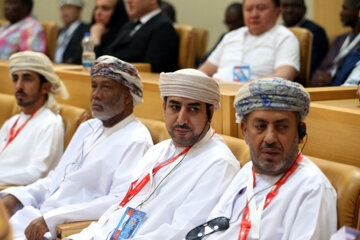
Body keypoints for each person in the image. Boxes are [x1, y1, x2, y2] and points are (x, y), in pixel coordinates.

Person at [67, 69, 240, 240]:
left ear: (210, 112)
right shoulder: (158, 151)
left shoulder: (219, 163)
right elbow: (121, 208)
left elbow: (182, 232)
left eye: (193, 109)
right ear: (164, 107)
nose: (181, 119)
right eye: (175, 107)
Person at [0, 56, 153, 240]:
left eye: (106, 87)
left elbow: (118, 202)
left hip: (67, 229)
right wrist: (17, 196)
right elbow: (57, 178)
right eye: (94, 86)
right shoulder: (88, 127)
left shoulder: (136, 140)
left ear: (128, 96)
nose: (96, 94)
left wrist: (52, 219)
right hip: (38, 216)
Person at [187, 78, 337, 240]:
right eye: (260, 126)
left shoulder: (312, 188)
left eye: (282, 127)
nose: (270, 138)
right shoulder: (248, 171)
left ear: (300, 133)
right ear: (244, 131)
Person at [0, 51, 69, 186]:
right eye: (15, 79)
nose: (19, 86)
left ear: (45, 87)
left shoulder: (51, 123)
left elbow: (37, 173)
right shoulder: (12, 122)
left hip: (15, 197)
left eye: (27, 79)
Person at [199, 0, 299, 82]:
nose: (254, 14)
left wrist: (243, 87)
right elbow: (203, 71)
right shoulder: (231, 36)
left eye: (261, 8)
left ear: (277, 13)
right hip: (216, 96)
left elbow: (284, 76)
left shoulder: (285, 38)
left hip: (254, 99)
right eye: (249, 9)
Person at [98, 0, 179, 73]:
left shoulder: (163, 27)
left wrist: (110, 67)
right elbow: (110, 52)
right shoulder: (128, 25)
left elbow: (153, 68)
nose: (128, 1)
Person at [312, 0, 360, 87]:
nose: (341, 13)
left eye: (345, 8)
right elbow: (323, 66)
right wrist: (318, 75)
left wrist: (332, 77)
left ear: (358, 11)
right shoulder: (340, 39)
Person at [281, 0, 328, 77]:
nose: (289, 10)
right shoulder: (276, 31)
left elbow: (311, 67)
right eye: (285, 6)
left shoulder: (315, 32)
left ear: (304, 9)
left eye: (295, 6)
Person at [199, 2, 244, 67]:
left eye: (233, 23)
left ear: (243, 20)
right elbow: (204, 61)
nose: (229, 27)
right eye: (227, 23)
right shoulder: (226, 37)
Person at [55, 0, 90, 64]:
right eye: (62, 9)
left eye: (69, 8)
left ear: (79, 10)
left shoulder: (86, 30)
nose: (64, 13)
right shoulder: (59, 31)